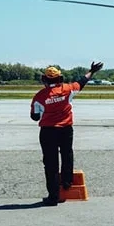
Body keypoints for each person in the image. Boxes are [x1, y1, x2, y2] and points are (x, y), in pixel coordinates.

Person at [30, 61, 103, 206]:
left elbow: (35, 116)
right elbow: (81, 82)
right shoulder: (68, 89)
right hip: (66, 129)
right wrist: (92, 71)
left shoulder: (39, 96)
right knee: (67, 154)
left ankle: (53, 196)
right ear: (60, 79)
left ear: (44, 80)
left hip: (48, 131)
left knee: (50, 163)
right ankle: (67, 182)